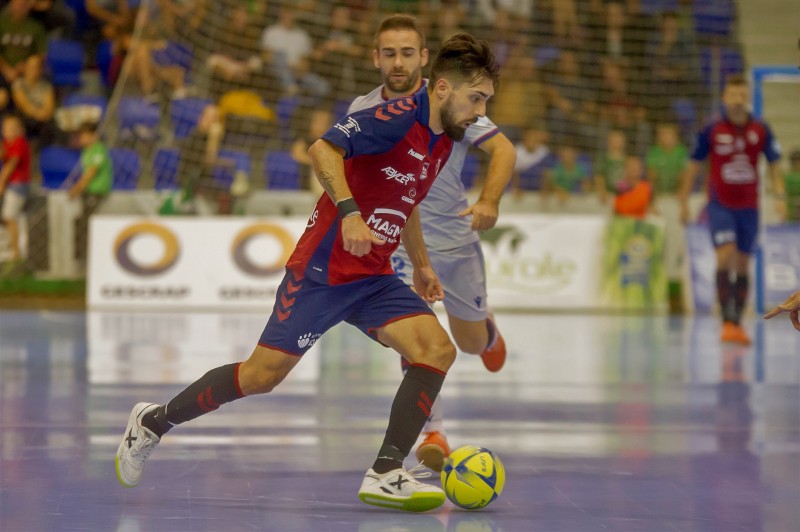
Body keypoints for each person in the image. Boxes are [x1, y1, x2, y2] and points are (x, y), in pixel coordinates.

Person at [115, 33, 500, 513]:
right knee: (261, 376)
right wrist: (350, 213)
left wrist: (421, 264)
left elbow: (409, 203)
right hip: (322, 271)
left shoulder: (444, 140)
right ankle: (153, 421)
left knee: (436, 349)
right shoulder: (395, 118)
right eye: (476, 98)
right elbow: (322, 150)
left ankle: (386, 471)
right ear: (443, 88)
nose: (480, 111)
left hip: (374, 276)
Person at [347, 14, 516, 472]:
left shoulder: (453, 104)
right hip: (400, 242)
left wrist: (490, 201)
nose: (398, 62)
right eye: (389, 53)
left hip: (455, 244)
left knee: (470, 343)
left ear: (424, 58)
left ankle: (486, 329)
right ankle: (432, 429)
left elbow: (503, 150)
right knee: (414, 338)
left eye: (407, 52)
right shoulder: (363, 110)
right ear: (376, 58)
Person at [679, 75, 786, 345]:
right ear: (725, 98)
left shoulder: (761, 129)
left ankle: (737, 323)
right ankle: (726, 321)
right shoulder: (712, 129)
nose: (738, 100)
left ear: (748, 97)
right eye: (733, 95)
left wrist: (780, 195)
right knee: (724, 255)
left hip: (749, 207)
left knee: (742, 263)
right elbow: (693, 165)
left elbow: (774, 164)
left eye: (742, 95)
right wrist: (682, 201)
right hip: (720, 205)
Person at [67, 122, 112, 263]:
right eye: (81, 136)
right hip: (88, 192)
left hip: (97, 191)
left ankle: (91, 256)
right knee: (84, 222)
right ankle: (85, 256)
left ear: (95, 136)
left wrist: (77, 188)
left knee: (90, 224)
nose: (82, 139)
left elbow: (91, 172)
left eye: (85, 136)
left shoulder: (98, 149)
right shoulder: (86, 151)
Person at [0, 114, 31, 273]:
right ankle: (12, 251)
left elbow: (11, 164)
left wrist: (1, 182)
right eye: (6, 128)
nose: (8, 132)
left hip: (17, 185)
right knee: (10, 218)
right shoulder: (8, 143)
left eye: (12, 128)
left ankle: (16, 254)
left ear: (20, 130)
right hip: (12, 185)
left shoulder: (19, 143)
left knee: (10, 217)